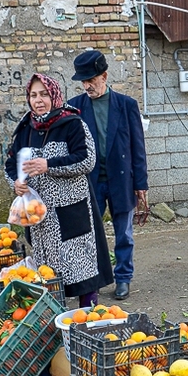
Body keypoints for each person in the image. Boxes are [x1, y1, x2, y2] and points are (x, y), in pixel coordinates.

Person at [4, 73, 113, 308]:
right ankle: (55, 321)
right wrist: (15, 182)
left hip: (71, 210)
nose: (38, 100)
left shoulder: (71, 123)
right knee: (48, 272)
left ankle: (88, 316)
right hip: (39, 215)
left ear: (54, 95)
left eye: (43, 94)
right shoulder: (25, 128)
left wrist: (49, 165)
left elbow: (86, 160)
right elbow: (10, 164)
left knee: (81, 266)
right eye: (33, 95)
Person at [68, 50, 149, 300]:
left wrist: (141, 184)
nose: (86, 85)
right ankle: (91, 280)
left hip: (121, 180)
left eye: (91, 80)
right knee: (89, 234)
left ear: (104, 76)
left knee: (124, 233)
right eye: (83, 81)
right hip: (89, 182)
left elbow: (138, 147)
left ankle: (123, 278)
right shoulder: (75, 107)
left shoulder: (126, 105)